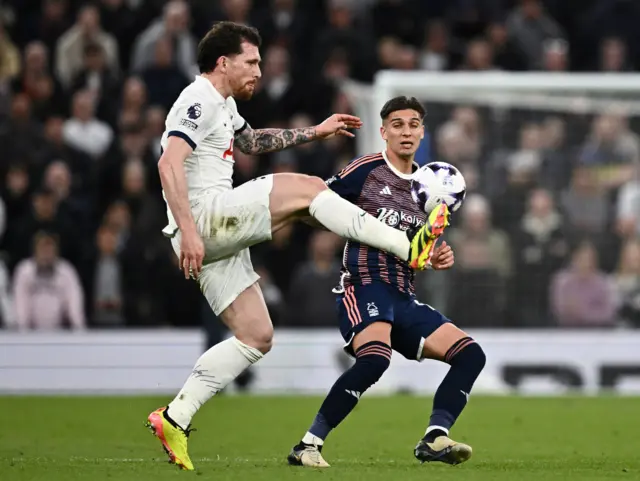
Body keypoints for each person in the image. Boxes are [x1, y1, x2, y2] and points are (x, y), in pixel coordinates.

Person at [145, 23, 448, 471]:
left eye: (261, 63)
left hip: (213, 235)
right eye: (251, 62)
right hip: (205, 220)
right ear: (223, 62)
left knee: (256, 335)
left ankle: (175, 417)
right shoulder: (198, 98)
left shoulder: (223, 105)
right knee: (308, 189)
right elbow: (168, 163)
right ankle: (407, 246)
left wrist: (315, 132)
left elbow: (251, 142)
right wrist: (190, 230)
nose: (259, 71)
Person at [287, 96, 486, 468]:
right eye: (397, 124)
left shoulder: (433, 185)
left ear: (423, 131)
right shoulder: (365, 171)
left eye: (413, 124)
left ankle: (434, 436)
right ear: (384, 132)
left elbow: (417, 249)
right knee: (376, 359)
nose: (406, 131)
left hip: (403, 295)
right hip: (362, 285)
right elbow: (313, 205)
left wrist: (435, 256)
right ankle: (307, 444)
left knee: (471, 354)